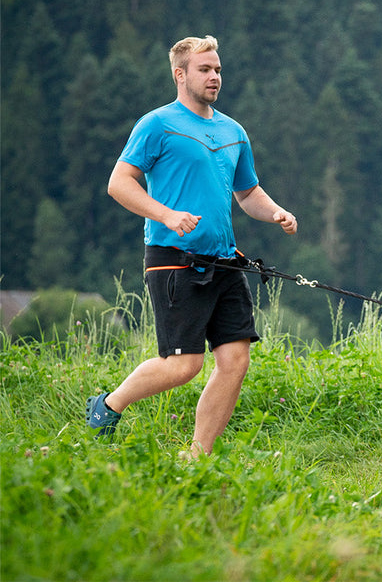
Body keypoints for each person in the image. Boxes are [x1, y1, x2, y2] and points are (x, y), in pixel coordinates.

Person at [87, 35, 297, 458]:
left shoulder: (232, 131)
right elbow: (118, 183)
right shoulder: (157, 125)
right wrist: (165, 214)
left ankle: (196, 455)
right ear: (180, 75)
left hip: (225, 262)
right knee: (184, 366)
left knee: (235, 362)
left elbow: (247, 192)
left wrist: (275, 212)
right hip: (174, 262)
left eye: (218, 69)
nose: (215, 77)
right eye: (205, 69)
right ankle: (107, 405)